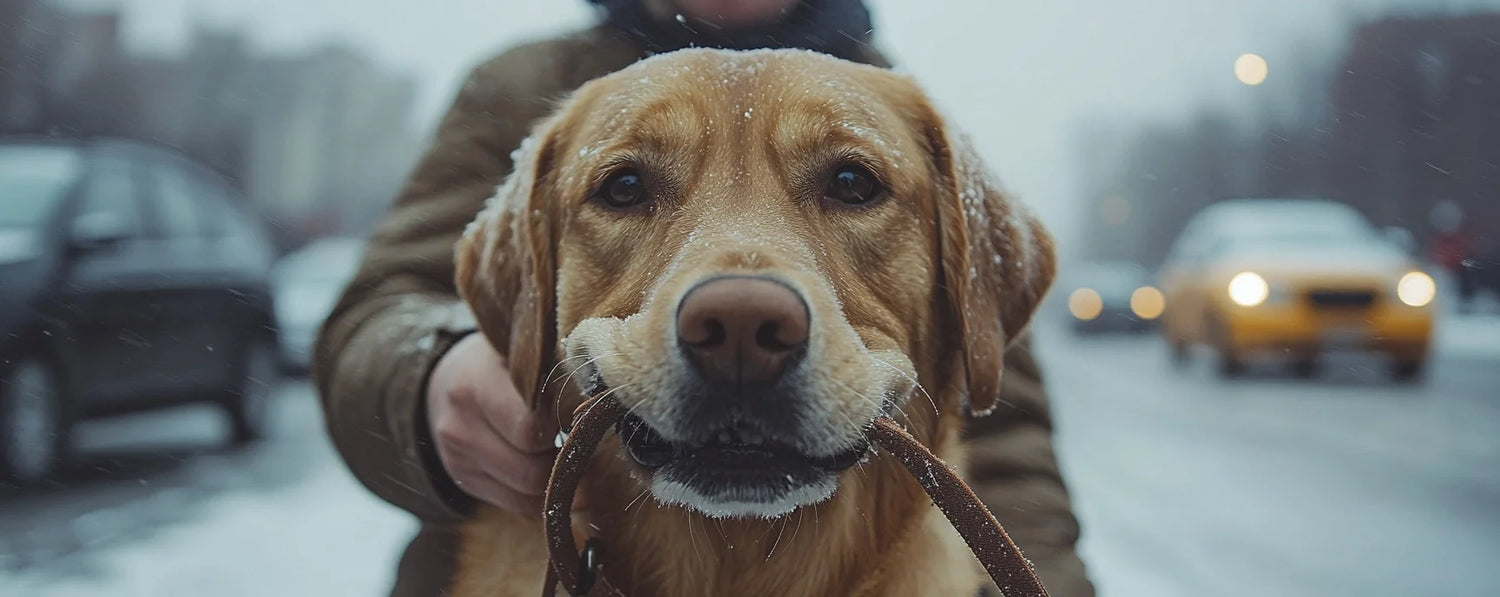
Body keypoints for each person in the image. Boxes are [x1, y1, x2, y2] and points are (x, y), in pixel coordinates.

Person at [313, 1, 1095, 595]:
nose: (744, 310)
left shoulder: (903, 117)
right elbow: (376, 315)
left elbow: (1009, 441)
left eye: (851, 183)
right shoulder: (520, 91)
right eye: (625, 187)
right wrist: (432, 377)